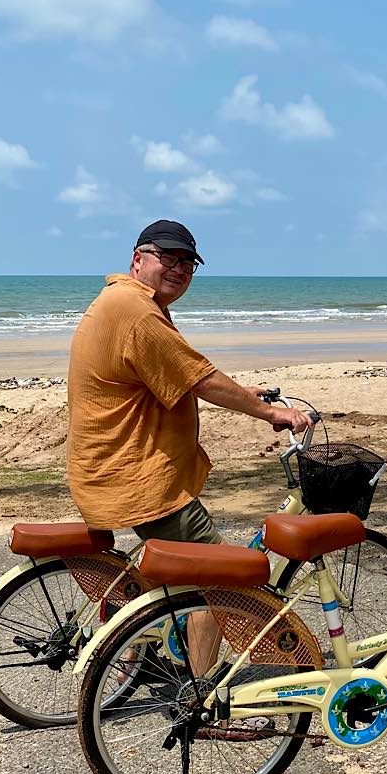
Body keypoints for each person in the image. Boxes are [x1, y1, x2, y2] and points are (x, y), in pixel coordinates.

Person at [67, 219, 311, 674]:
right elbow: (200, 378)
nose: (179, 269)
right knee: (220, 576)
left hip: (114, 468)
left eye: (188, 263)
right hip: (139, 479)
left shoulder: (127, 302)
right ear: (138, 258)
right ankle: (201, 693)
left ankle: (139, 649)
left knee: (173, 570)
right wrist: (271, 414)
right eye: (168, 258)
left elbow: (179, 374)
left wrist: (244, 393)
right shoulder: (137, 313)